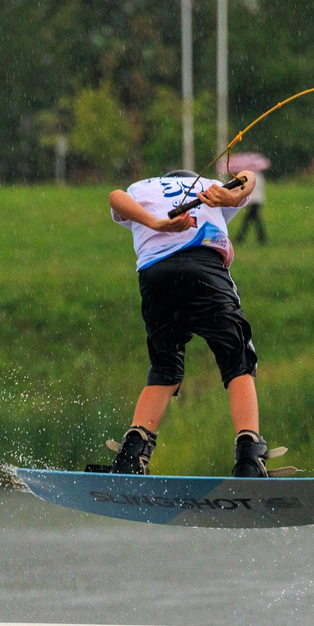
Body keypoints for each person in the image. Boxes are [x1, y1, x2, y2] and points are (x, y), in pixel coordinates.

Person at [95, 168, 269, 478]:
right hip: (204, 269)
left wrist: (156, 223)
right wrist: (233, 195)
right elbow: (248, 176)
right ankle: (249, 459)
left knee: (164, 369)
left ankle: (131, 457)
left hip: (155, 277)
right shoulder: (210, 186)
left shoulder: (141, 186)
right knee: (238, 358)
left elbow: (114, 197)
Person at [227, 151, 270, 245]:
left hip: (254, 201)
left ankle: (242, 238)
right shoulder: (259, 176)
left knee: (249, 221)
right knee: (253, 221)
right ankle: (258, 238)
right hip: (256, 201)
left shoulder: (252, 177)